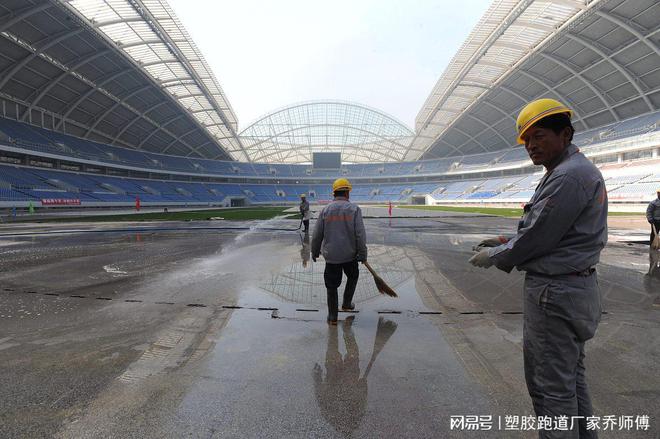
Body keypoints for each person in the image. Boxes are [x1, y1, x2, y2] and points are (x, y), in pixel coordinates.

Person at [469, 98, 608, 439]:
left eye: (539, 135)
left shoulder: (568, 177)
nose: (531, 145)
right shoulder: (569, 171)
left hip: (556, 293)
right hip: (574, 288)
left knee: (550, 391)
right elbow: (547, 228)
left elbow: (538, 238)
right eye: (527, 140)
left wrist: (498, 255)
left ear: (565, 134)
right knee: (570, 381)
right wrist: (503, 238)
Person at [311, 178, 367, 324]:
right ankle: (347, 303)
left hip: (332, 257)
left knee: (331, 286)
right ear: (347, 193)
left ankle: (332, 317)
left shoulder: (326, 210)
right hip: (350, 255)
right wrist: (363, 253)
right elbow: (360, 234)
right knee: (353, 276)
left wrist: (314, 251)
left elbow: (317, 234)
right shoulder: (354, 209)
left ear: (334, 193)